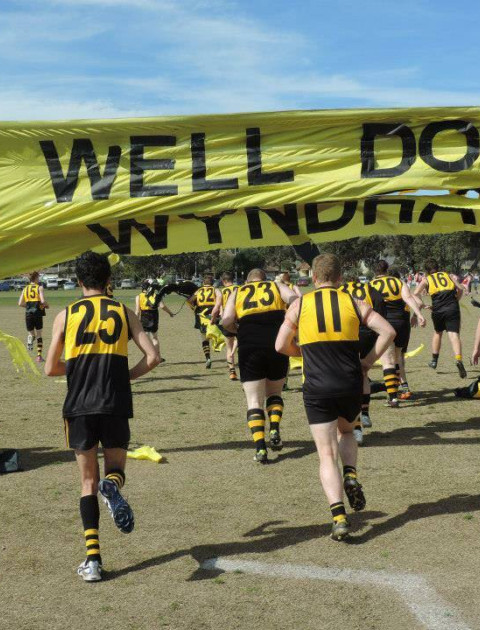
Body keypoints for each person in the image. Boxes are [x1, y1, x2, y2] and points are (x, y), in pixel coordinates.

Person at [44, 251, 159, 582]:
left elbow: (51, 367)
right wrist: (125, 377)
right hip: (115, 403)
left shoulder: (66, 315)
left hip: (79, 407)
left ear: (79, 281)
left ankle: (92, 561)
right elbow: (153, 357)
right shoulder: (122, 311)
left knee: (87, 483)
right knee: (116, 472)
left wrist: (78, 369)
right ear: (109, 280)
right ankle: (113, 486)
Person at [275, 254, 395, 541]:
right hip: (350, 383)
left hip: (316, 387)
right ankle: (351, 473)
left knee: (326, 454)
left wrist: (302, 353)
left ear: (313, 278)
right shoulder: (353, 301)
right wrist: (367, 361)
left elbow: (280, 345)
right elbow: (387, 331)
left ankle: (339, 517)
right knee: (348, 432)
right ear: (340, 278)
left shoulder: (300, 304)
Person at [222, 268, 296, 463]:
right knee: (275, 393)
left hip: (249, 346)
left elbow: (226, 319)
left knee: (254, 401)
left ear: (248, 280)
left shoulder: (238, 291)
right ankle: (274, 428)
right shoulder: (275, 285)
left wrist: (235, 329)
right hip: (277, 344)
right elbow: (295, 299)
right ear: (265, 279)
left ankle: (260, 448)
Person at [370, 261, 426, 407]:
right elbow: (408, 298)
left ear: (374, 272)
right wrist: (418, 314)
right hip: (402, 322)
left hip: (384, 323)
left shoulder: (371, 284)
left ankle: (392, 397)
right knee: (398, 357)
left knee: (387, 360)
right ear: (387, 270)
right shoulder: (397, 281)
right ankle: (403, 387)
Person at [339, 277, 388, 444]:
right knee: (363, 373)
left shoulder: (341, 290)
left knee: (347, 377)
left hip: (348, 333)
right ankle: (365, 413)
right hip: (368, 331)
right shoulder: (369, 289)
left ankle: (356, 424)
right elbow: (380, 304)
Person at [414, 260, 466, 378]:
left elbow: (415, 293)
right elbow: (461, 289)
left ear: (427, 271)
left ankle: (434, 360)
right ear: (438, 267)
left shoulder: (426, 279)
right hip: (452, 308)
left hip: (438, 309)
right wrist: (456, 300)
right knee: (454, 335)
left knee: (438, 333)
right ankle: (459, 360)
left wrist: (423, 305)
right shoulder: (448, 275)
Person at [187, 273, 222, 369]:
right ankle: (217, 343)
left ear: (203, 282)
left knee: (204, 338)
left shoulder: (199, 290)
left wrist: (193, 308)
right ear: (212, 283)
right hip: (213, 314)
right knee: (214, 332)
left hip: (201, 315)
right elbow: (221, 299)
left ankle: (208, 358)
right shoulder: (215, 290)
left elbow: (189, 300)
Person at [135, 279, 174, 362]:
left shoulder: (138, 296)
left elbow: (137, 311)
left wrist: (135, 321)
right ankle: (158, 357)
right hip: (154, 317)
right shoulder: (155, 295)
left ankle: (148, 356)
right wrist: (170, 313)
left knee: (146, 339)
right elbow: (162, 306)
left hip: (144, 318)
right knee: (155, 338)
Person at [211, 272, 239, 381]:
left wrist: (214, 318)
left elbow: (218, 307)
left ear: (223, 281)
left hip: (227, 320)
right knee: (240, 339)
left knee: (228, 347)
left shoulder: (222, 292)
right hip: (239, 318)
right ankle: (234, 352)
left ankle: (232, 371)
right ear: (233, 279)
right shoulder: (240, 288)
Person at [18, 271, 49, 362]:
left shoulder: (25, 289)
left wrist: (28, 306)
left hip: (28, 314)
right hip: (38, 314)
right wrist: (47, 305)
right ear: (36, 278)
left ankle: (30, 338)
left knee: (32, 334)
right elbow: (42, 301)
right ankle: (39, 356)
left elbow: (20, 303)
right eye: (38, 277)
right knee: (39, 335)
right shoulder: (39, 287)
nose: (39, 279)